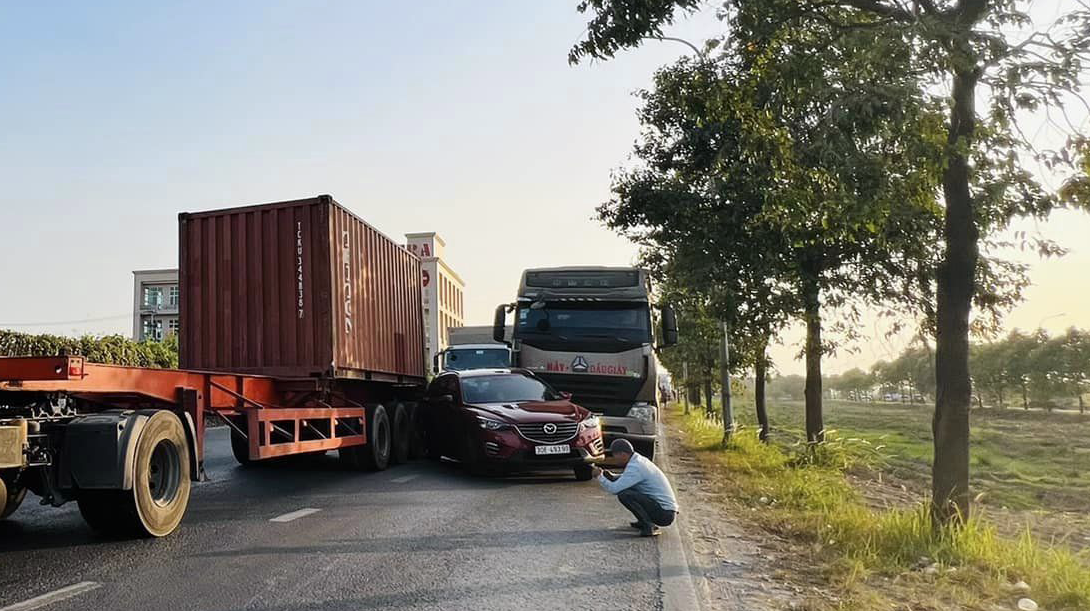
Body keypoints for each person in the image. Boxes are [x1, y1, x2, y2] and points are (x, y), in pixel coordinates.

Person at [591, 438, 678, 537]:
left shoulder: (636, 467)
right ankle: (644, 521)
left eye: (615, 456)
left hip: (664, 514)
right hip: (665, 510)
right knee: (628, 491)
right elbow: (628, 479)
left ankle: (649, 526)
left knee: (624, 494)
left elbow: (614, 489)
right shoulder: (638, 460)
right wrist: (611, 476)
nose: (614, 459)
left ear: (623, 454)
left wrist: (599, 477)